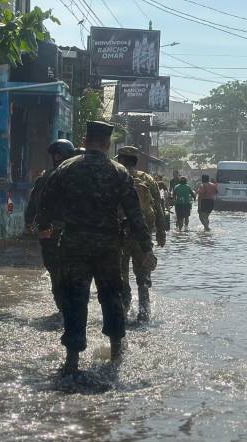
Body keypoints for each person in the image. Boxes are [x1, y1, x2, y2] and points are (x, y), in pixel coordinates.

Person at [37, 121, 155, 375]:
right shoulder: (119, 172)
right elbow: (135, 214)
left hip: (74, 244)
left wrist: (44, 226)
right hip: (108, 247)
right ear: (108, 143)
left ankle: (72, 360)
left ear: (85, 140)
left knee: (75, 298)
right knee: (112, 296)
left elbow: (45, 203)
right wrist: (147, 248)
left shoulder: (66, 168)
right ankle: (116, 353)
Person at [24, 139, 79, 314]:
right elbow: (34, 202)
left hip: (55, 230)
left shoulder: (48, 176)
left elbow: (34, 204)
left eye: (58, 154)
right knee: (59, 270)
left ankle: (65, 307)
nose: (56, 158)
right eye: (55, 155)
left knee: (58, 270)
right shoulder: (71, 177)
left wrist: (30, 221)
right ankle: (66, 307)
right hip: (58, 230)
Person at [115, 146, 167, 322]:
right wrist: (161, 232)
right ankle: (144, 312)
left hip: (120, 234)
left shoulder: (115, 176)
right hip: (142, 234)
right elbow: (158, 206)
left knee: (121, 273)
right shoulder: (148, 179)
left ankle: (124, 308)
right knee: (143, 274)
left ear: (121, 160)